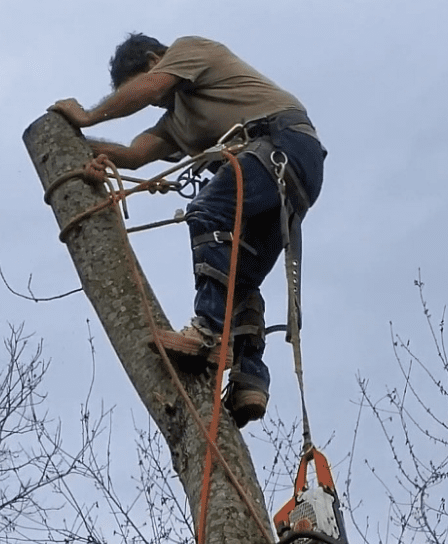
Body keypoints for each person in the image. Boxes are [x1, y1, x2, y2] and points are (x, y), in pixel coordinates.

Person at [50, 34, 326, 426]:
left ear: (153, 59)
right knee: (240, 276)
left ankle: (209, 334)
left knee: (207, 211)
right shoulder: (176, 124)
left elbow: (150, 88)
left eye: (138, 84)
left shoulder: (189, 50)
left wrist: (88, 115)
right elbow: (133, 155)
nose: (156, 101)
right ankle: (250, 378)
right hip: (290, 175)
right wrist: (76, 144)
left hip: (284, 145)